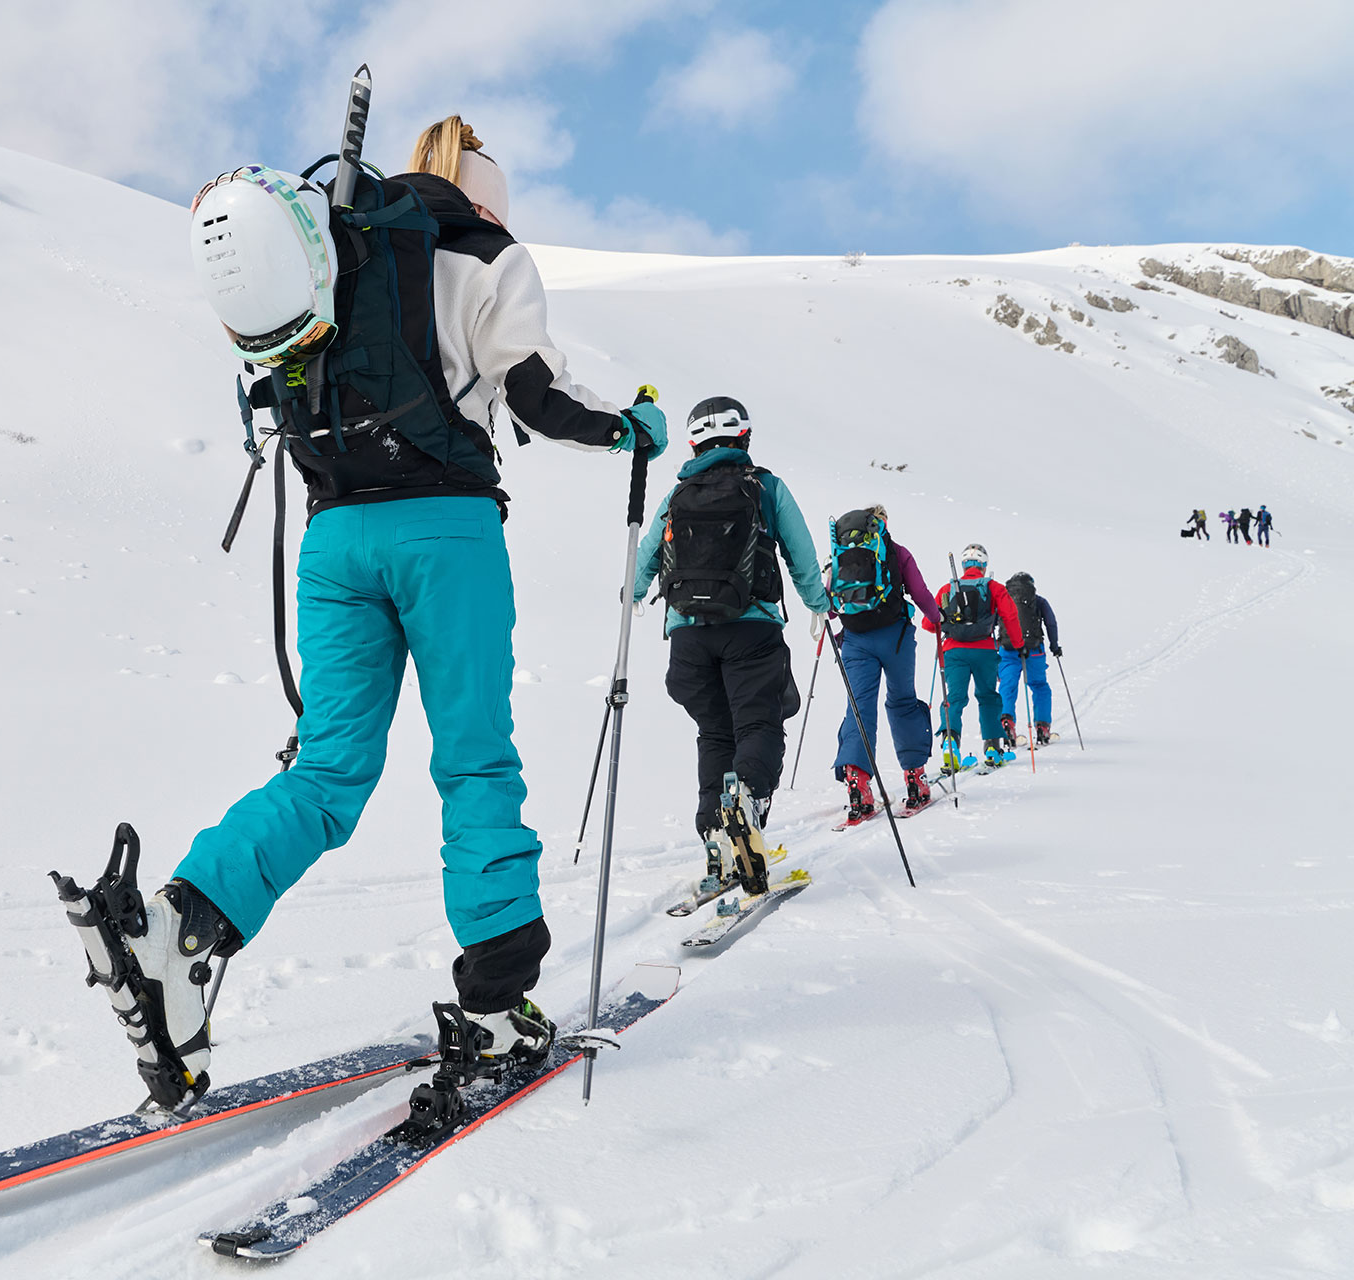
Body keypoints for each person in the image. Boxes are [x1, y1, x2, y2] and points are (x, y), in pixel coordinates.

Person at [98, 118, 670, 1102]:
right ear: (487, 195)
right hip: (444, 532)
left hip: (334, 542)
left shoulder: (332, 259)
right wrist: (631, 425)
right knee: (474, 755)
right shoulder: (485, 251)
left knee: (328, 768)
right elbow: (533, 394)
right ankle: (495, 1004)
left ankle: (178, 921)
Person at [631, 397, 828, 894]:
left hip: (688, 638)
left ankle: (716, 836)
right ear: (744, 438)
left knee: (715, 734)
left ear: (695, 442)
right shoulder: (765, 487)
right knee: (758, 725)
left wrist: (631, 595)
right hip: (752, 630)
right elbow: (800, 552)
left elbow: (649, 552)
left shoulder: (680, 493)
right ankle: (748, 800)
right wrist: (818, 604)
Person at [825, 506, 942, 822]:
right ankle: (916, 781)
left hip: (855, 641)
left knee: (859, 709)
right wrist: (937, 618)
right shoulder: (897, 552)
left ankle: (858, 785)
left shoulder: (842, 554)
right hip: (896, 638)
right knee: (902, 702)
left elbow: (831, 606)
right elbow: (919, 592)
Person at [925, 544, 1025, 770]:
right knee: (988, 696)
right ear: (984, 565)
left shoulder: (947, 589)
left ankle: (950, 741)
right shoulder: (994, 587)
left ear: (963, 565)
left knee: (955, 697)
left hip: (953, 651)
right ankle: (992, 747)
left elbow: (928, 624)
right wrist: (1017, 644)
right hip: (985, 651)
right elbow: (1010, 616)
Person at [997, 572, 1062, 747]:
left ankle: (1006, 722)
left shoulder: (1003, 599)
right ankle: (1042, 726)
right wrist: (1054, 646)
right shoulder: (1039, 601)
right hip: (1034, 650)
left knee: (1007, 685)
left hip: (1007, 650)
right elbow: (1051, 623)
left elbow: (993, 623)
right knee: (1040, 686)